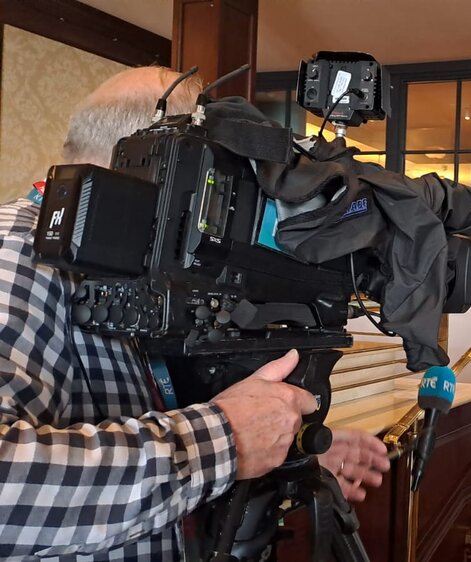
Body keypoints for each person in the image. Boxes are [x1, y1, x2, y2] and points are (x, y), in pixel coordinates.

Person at [0, 66, 389, 560]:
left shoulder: (134, 256)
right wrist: (225, 442)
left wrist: (280, 444)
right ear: (155, 156)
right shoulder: (16, 251)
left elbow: (153, 416)